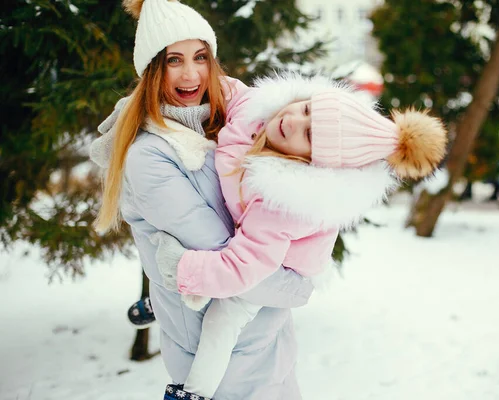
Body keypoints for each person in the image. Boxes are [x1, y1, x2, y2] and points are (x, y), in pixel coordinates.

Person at [148, 73, 448, 399]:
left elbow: (245, 267)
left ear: (313, 162)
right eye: (306, 109)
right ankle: (171, 299)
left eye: (308, 135)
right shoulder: (257, 112)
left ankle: (193, 393)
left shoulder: (285, 204)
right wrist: (192, 68)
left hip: (281, 271)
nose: (292, 121)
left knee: (224, 317)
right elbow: (230, 89)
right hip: (250, 239)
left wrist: (185, 271)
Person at [90, 1, 316, 399]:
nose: (191, 74)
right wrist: (297, 287)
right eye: (173, 60)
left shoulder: (234, 119)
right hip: (221, 364)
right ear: (152, 70)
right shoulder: (150, 155)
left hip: (272, 348)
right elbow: (225, 259)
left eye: (200, 57)